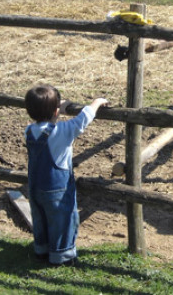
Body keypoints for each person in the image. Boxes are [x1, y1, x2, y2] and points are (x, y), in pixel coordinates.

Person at [24, 84, 108, 266]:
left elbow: (46, 125)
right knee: (62, 221)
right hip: (57, 189)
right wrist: (97, 102)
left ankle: (42, 250)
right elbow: (83, 119)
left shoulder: (29, 131)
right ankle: (62, 257)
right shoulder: (62, 131)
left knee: (41, 219)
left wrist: (55, 111)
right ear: (56, 112)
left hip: (35, 187)